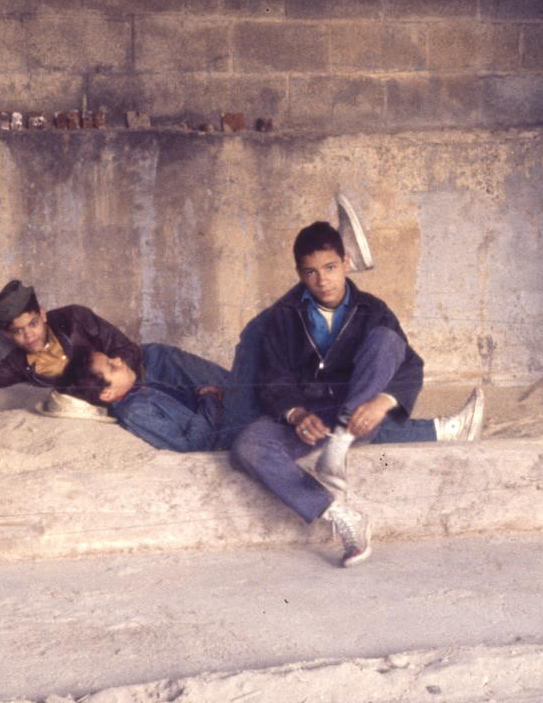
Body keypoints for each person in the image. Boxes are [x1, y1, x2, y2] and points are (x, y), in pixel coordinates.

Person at [230, 221, 484, 567]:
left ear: (347, 262)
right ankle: (342, 516)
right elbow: (272, 377)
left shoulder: (372, 309)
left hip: (358, 412)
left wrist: (382, 402)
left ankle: (340, 445)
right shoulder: (284, 315)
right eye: (311, 272)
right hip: (312, 421)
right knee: (248, 444)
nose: (323, 280)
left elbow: (408, 364)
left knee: (386, 341)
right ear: (300, 274)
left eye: (331, 267)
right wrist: (296, 414)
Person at [0, 280, 142, 410]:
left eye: (33, 323)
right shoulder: (19, 363)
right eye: (18, 331)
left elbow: (128, 350)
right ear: (6, 334)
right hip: (115, 399)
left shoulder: (75, 318)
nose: (29, 334)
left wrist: (117, 387)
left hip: (148, 365)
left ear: (42, 315)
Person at [73, 343, 231, 453]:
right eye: (112, 367)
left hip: (219, 410)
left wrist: (202, 392)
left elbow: (179, 402)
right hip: (226, 430)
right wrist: (210, 400)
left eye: (112, 358)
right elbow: (191, 444)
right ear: (107, 394)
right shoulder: (135, 411)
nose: (119, 360)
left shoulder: (138, 387)